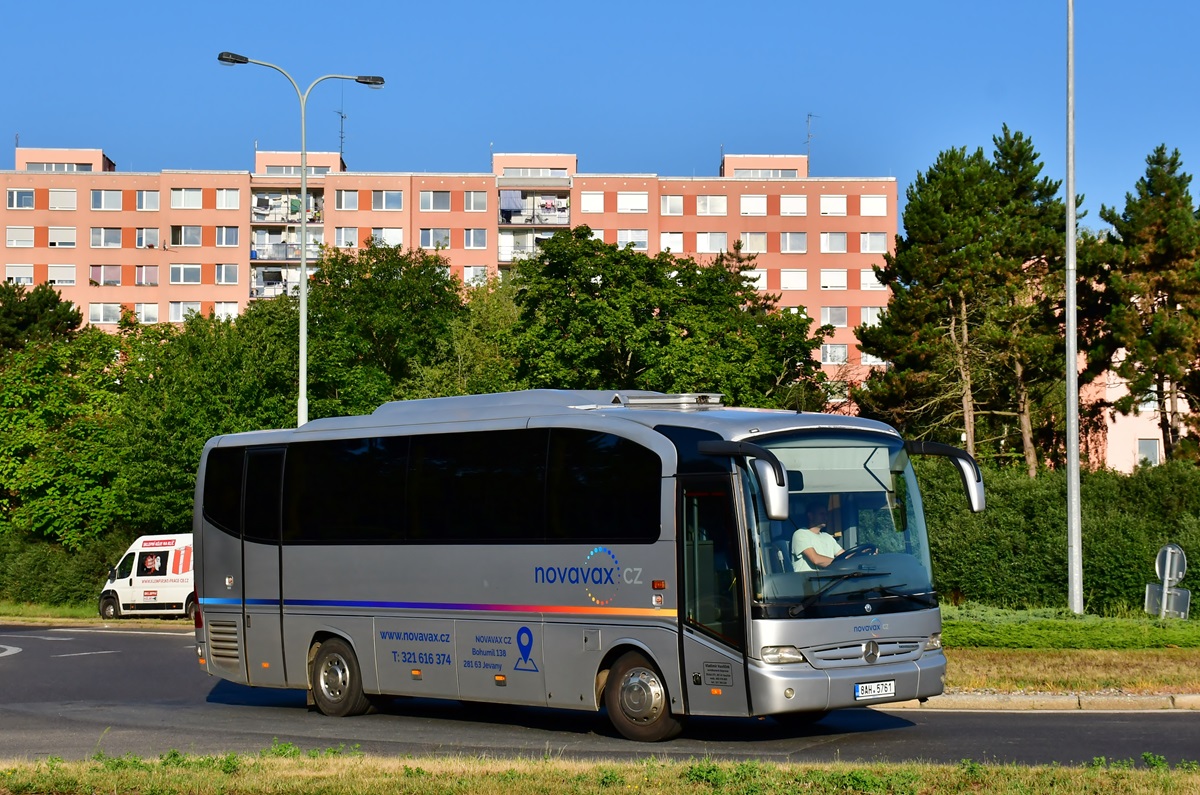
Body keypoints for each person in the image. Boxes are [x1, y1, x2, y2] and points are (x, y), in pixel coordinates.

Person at [791, 501, 843, 572]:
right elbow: (816, 559)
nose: (825, 517)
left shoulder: (827, 537)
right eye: (821, 514)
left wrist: (859, 555)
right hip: (808, 581)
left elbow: (843, 555)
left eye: (826, 514)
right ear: (810, 516)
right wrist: (840, 563)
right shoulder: (800, 534)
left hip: (830, 580)